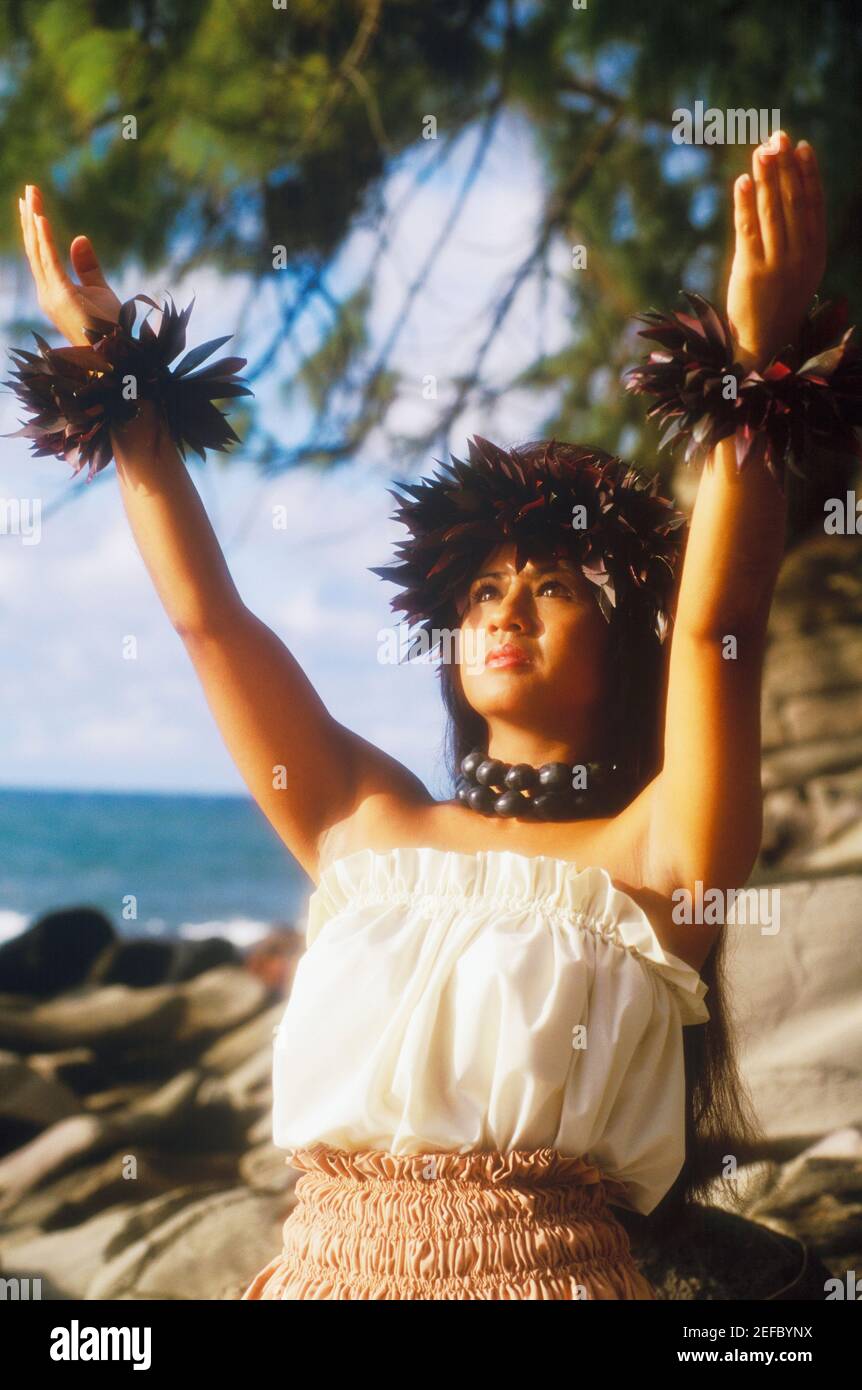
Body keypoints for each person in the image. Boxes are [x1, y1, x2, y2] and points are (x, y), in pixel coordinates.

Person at [17, 127, 827, 1299]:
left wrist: (755, 358)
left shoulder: (656, 860)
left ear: (618, 642)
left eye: (552, 587)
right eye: (485, 588)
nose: (508, 610)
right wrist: (121, 384)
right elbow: (211, 624)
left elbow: (716, 629)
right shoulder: (359, 822)